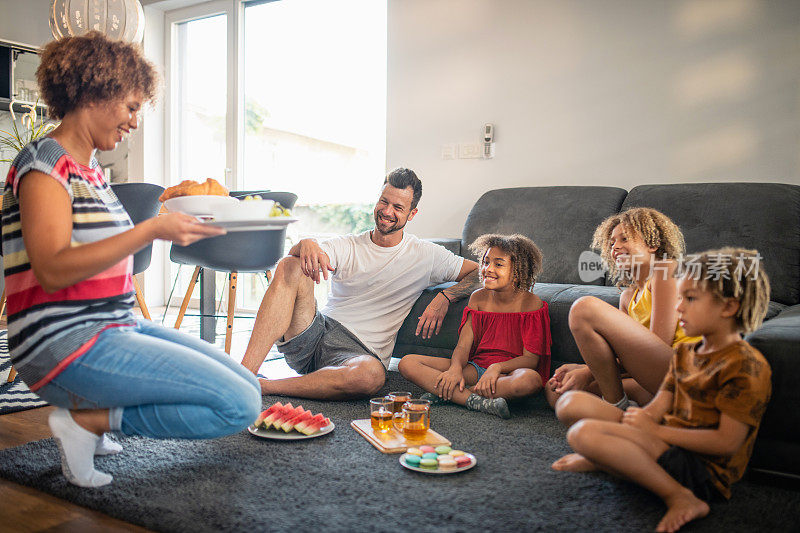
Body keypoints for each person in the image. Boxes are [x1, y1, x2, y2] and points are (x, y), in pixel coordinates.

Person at [1, 32, 261, 488]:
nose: (135, 123)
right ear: (94, 91)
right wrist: (151, 229)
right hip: (64, 341)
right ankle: (88, 422)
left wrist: (174, 226)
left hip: (114, 325)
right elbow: (53, 268)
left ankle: (91, 417)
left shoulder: (92, 171)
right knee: (239, 405)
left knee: (250, 386)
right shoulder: (44, 165)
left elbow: (102, 255)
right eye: (132, 106)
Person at [551, 248, 771, 532]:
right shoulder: (685, 354)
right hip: (666, 441)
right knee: (570, 404)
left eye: (690, 299)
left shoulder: (746, 366)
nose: (678, 307)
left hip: (703, 469)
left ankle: (680, 497)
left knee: (583, 434)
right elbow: (658, 408)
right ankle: (615, 458)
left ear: (728, 308)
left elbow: (727, 443)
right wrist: (641, 422)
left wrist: (654, 432)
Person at [241, 168, 479, 399]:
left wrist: (447, 296)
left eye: (398, 207)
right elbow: (301, 258)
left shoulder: (426, 255)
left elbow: (478, 272)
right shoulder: (349, 245)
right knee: (290, 265)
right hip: (315, 334)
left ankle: (266, 386)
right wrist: (306, 243)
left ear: (412, 214)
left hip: (359, 355)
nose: (387, 211)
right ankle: (243, 375)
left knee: (372, 377)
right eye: (384, 202)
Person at [546, 207, 700, 410]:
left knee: (584, 308)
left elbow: (658, 345)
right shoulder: (628, 296)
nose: (615, 247)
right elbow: (633, 357)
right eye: (611, 243)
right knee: (558, 392)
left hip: (684, 372)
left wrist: (589, 371)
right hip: (653, 381)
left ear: (652, 244)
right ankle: (640, 415)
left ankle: (615, 406)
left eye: (624, 239)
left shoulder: (666, 271)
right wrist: (584, 370)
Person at [398, 234, 551, 418]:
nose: (488, 269)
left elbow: (531, 360)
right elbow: (463, 345)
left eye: (498, 264)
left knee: (529, 381)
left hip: (506, 375)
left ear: (518, 271)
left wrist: (497, 368)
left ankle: (452, 393)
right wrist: (455, 369)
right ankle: (473, 399)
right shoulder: (477, 298)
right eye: (486, 262)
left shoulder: (531, 304)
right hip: (475, 369)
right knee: (407, 362)